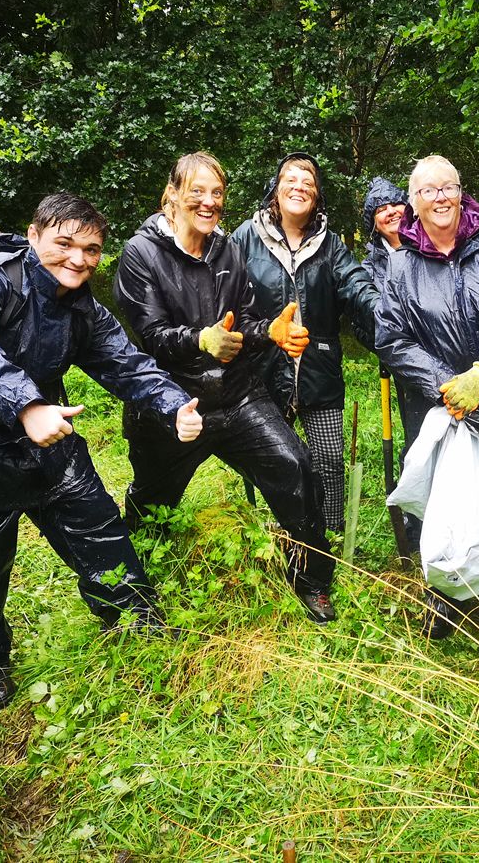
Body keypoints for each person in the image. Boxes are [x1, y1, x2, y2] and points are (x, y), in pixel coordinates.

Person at [0, 193, 204, 710]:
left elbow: (125, 363)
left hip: (47, 439)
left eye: (92, 249)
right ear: (34, 236)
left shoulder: (82, 306)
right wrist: (27, 405)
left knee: (99, 526)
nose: (78, 260)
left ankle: (135, 623)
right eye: (64, 244)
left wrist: (174, 406)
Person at [113, 152, 338, 624]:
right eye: (197, 191)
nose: (209, 202)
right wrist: (200, 339)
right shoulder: (141, 253)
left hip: (237, 395)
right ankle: (131, 569)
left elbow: (248, 321)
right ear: (173, 194)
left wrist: (269, 333)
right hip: (173, 402)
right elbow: (150, 335)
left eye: (217, 193)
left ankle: (312, 579)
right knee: (153, 499)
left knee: (295, 464)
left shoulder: (227, 249)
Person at [375, 154, 479, 650]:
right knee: (440, 499)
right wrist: (446, 384)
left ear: (461, 192)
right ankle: (447, 594)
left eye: (448, 187)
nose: (440, 197)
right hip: (434, 406)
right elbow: (391, 336)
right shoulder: (400, 263)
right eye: (428, 190)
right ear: (413, 203)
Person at [230, 152, 380, 533]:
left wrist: (379, 309)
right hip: (262, 369)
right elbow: (224, 294)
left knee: (329, 458)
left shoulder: (330, 245)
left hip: (319, 370)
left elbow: (356, 284)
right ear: (275, 192)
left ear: (316, 198)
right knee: (272, 459)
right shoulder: (245, 238)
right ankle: (280, 532)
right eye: (290, 181)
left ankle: (328, 535)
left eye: (308, 183)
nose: (299, 187)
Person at [360, 176, 408, 286]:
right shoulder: (367, 272)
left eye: (395, 204)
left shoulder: (434, 248)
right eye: (381, 209)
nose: (391, 211)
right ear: (374, 226)